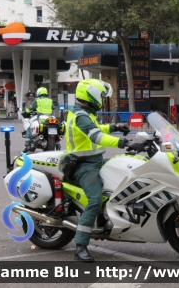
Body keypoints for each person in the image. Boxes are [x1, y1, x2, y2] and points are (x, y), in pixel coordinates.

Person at [65, 79, 144, 262]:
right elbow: (97, 136)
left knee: (129, 169)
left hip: (96, 161)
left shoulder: (85, 113)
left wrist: (116, 127)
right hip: (84, 165)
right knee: (94, 199)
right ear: (91, 95)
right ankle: (80, 246)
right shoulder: (80, 116)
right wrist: (124, 142)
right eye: (101, 95)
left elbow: (97, 128)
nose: (102, 99)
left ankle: (106, 218)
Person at [22, 87, 61, 153]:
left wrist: (26, 111)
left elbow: (30, 108)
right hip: (50, 117)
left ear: (38, 93)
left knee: (29, 129)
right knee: (55, 130)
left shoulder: (37, 100)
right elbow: (53, 107)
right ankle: (58, 146)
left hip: (41, 117)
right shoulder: (50, 100)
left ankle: (27, 145)